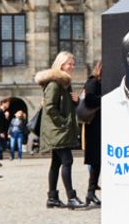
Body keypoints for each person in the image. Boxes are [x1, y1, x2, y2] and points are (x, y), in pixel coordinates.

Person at [37, 51, 85, 209]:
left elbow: (67, 108)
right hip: (57, 130)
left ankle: (52, 198)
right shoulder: (54, 84)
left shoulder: (65, 84)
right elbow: (50, 108)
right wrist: (63, 123)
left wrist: (77, 102)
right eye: (69, 63)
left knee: (56, 163)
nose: (72, 66)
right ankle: (71, 197)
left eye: (73, 63)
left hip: (60, 130)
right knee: (67, 160)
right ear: (61, 64)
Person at [82, 60, 103, 206]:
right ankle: (90, 192)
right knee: (96, 160)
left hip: (102, 125)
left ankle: (91, 192)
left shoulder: (102, 83)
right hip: (95, 126)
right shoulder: (93, 81)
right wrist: (106, 99)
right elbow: (89, 99)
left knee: (99, 161)